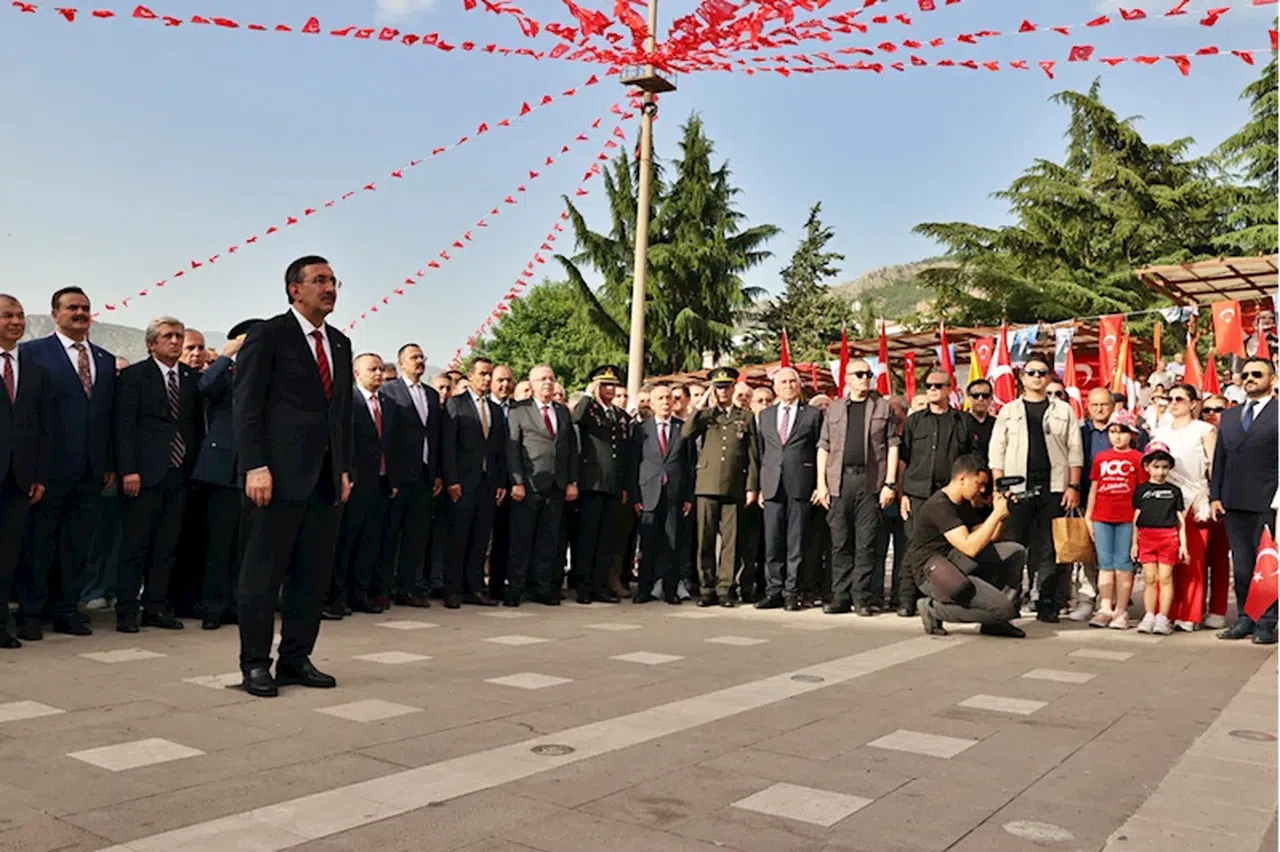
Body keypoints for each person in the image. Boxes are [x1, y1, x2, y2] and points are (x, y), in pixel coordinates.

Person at [233, 255, 353, 698]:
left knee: (312, 575)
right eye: (319, 280)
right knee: (262, 574)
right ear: (294, 289)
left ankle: (296, 658)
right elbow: (246, 406)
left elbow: (339, 416)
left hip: (324, 479)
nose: (329, 288)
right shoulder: (269, 334)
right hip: (275, 477)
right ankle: (255, 664)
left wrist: (344, 470)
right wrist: (255, 465)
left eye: (333, 281)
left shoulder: (339, 342)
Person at [16, 286, 117, 641]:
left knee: (77, 547)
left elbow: (108, 418)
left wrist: (109, 463)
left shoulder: (104, 359)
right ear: (56, 314)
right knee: (38, 544)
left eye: (85, 308)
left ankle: (66, 610)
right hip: (47, 470)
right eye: (72, 308)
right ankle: (30, 612)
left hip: (91, 471)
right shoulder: (32, 354)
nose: (80, 313)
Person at [113, 316, 204, 633]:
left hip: (179, 472)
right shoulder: (134, 376)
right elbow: (124, 427)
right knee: (135, 546)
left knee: (167, 545)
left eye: (179, 336)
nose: (176, 342)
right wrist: (129, 469)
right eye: (169, 336)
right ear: (151, 343)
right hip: (143, 473)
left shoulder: (192, 379)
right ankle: (126, 611)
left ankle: (156, 607)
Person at [988, 356, 1083, 623]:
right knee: (1014, 546)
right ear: (1022, 378)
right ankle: (1010, 600)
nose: (1037, 377)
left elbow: (1075, 451)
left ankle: (1047, 602)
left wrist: (1073, 486)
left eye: (1043, 372)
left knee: (1049, 549)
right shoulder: (1008, 410)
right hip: (1017, 489)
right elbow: (997, 451)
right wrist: (999, 486)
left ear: (1050, 376)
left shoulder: (1063, 410)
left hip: (1053, 487)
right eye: (1032, 372)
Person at [325, 353, 409, 620]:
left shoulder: (388, 403)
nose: (378, 374)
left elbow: (393, 445)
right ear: (356, 373)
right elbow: (341, 441)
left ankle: (360, 594)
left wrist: (393, 479)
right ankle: (337, 597)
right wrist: (345, 474)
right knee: (346, 541)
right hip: (355, 482)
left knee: (370, 542)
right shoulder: (349, 401)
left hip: (381, 483)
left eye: (381, 369)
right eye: (372, 369)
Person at [905, 454, 1025, 638]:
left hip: (957, 560)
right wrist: (995, 516)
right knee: (1005, 610)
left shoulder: (963, 503)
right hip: (934, 573)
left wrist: (1002, 512)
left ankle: (995, 620)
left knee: (1016, 552)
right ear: (962, 479)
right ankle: (933, 609)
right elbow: (970, 546)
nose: (982, 489)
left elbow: (989, 536)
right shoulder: (940, 505)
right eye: (979, 484)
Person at [815, 359, 899, 615]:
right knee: (840, 543)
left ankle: (861, 598)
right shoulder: (836, 408)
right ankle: (840, 597)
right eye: (859, 374)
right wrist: (821, 483)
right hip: (839, 481)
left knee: (866, 543)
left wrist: (890, 484)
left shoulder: (883, 407)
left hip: (870, 482)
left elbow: (893, 445)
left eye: (868, 374)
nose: (865, 378)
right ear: (847, 378)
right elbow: (824, 446)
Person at [192, 319, 260, 630]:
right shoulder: (226, 372)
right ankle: (212, 607)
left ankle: (236, 604)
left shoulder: (266, 374)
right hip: (221, 470)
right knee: (218, 543)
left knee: (245, 546)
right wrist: (227, 355)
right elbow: (204, 387)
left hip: (255, 470)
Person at [1212, 357, 1279, 644]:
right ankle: (1245, 617)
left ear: (1272, 378)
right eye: (1246, 374)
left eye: (1257, 374)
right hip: (1233, 501)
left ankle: (1267, 622)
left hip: (1268, 501)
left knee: (1266, 564)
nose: (1250, 378)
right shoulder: (1230, 415)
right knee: (1241, 565)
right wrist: (1215, 495)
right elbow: (1220, 459)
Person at [682, 366, 759, 607]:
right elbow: (686, 432)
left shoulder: (745, 417)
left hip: (734, 484)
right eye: (718, 387)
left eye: (726, 387)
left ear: (733, 388)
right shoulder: (707, 415)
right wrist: (703, 401)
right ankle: (706, 588)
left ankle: (725, 588)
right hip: (706, 484)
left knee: (730, 542)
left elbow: (752, 454)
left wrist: (751, 487)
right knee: (704, 539)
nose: (722, 391)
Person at [898, 370, 973, 616]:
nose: (932, 390)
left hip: (950, 496)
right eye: (928, 386)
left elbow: (971, 460)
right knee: (914, 546)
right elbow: (903, 460)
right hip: (918, 493)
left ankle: (942, 597)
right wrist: (902, 494)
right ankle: (907, 600)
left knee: (949, 548)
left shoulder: (963, 421)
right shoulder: (914, 421)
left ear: (949, 388)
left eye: (938, 386)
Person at [0, 294, 51, 649]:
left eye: (19, 316)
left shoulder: (34, 371)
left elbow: (43, 428)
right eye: (7, 316)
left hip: (18, 478)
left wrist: (39, 474)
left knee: (7, 555)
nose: (16, 322)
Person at [505, 364, 578, 606]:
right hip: (529, 483)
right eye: (542, 379)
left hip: (556, 485)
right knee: (522, 539)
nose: (548, 383)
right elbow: (513, 448)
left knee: (549, 540)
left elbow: (570, 450)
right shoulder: (519, 409)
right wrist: (517, 482)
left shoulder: (562, 411)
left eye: (551, 378)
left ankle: (542, 587)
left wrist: (571, 481)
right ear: (532, 383)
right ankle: (516, 587)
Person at [381, 343, 444, 609]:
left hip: (425, 474)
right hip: (399, 475)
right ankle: (384, 587)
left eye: (422, 357)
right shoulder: (390, 392)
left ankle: (409, 587)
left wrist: (438, 472)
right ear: (401, 362)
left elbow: (436, 436)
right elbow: (386, 438)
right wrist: (390, 477)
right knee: (389, 533)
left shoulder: (430, 394)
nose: (419, 361)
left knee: (416, 535)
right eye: (413, 357)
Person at [755, 367, 822, 611]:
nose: (788, 385)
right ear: (775, 386)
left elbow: (819, 451)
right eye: (783, 382)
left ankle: (792, 592)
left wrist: (818, 484)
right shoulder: (766, 415)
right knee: (773, 542)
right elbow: (761, 452)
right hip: (772, 484)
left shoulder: (813, 414)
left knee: (796, 542)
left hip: (801, 484)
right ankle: (773, 591)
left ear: (800, 385)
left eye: (792, 381)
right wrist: (759, 486)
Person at [442, 357, 506, 608]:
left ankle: (475, 587)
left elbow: (499, 450)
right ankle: (452, 589)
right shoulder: (455, 405)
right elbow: (448, 447)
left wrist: (500, 481)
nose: (487, 379)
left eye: (490, 374)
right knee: (458, 537)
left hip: (488, 483)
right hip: (462, 482)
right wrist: (451, 479)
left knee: (481, 538)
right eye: (482, 374)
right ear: (471, 376)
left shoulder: (496, 410)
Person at [1152, 384, 1217, 631]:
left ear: (1193, 404)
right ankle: (1164, 612)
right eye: (1170, 398)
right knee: (1165, 560)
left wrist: (1214, 498)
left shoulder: (1204, 429)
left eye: (1180, 398)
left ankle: (1190, 614)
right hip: (1164, 499)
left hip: (1194, 500)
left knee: (1192, 559)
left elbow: (1213, 466)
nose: (1173, 402)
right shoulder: (1161, 430)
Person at [571, 365, 631, 605]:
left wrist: (624, 485)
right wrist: (587, 395)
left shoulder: (619, 414)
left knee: (606, 539)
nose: (610, 389)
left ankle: (601, 586)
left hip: (613, 485)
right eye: (604, 384)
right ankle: (584, 587)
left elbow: (624, 452)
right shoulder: (590, 410)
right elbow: (576, 418)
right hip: (592, 483)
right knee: (588, 538)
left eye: (613, 385)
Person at [630, 383, 693, 604]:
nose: (665, 402)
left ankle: (670, 589)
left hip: (674, 493)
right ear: (652, 403)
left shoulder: (682, 428)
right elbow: (634, 464)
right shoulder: (640, 429)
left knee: (673, 543)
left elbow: (688, 464)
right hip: (648, 493)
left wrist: (688, 496)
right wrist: (635, 497)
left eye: (669, 398)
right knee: (648, 544)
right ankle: (644, 589)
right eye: (660, 399)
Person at [1083, 410, 1144, 629]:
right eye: (1113, 431)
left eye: (1122, 432)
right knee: (1105, 564)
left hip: (1127, 517)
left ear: (1132, 435)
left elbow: (1142, 492)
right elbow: (1094, 487)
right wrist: (1089, 516)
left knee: (1124, 563)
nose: (1117, 436)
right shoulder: (1101, 457)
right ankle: (1105, 607)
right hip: (1102, 516)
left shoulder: (1138, 459)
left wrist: (1140, 520)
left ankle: (1121, 609)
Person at [1132, 442, 1188, 636]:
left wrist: (1184, 545)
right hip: (1146, 537)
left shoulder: (1174, 491)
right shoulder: (1140, 490)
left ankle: (1163, 617)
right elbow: (1136, 518)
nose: (1160, 472)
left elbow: (1181, 519)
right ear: (1147, 467)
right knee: (1149, 578)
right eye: (1156, 467)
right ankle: (1149, 615)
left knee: (1165, 577)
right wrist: (1134, 543)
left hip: (1168, 537)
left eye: (1164, 467)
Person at [1197, 394, 1232, 629]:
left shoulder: (1233, 437)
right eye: (1206, 409)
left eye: (1217, 409)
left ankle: (1218, 609)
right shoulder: (1195, 435)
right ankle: (1195, 607)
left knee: (1219, 559)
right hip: (1197, 503)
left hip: (1223, 504)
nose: (1211, 413)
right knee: (1197, 558)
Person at [964, 379, 996, 462]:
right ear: (968, 398)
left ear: (991, 398)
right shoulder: (959, 422)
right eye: (975, 395)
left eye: (985, 396)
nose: (980, 399)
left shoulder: (997, 424)